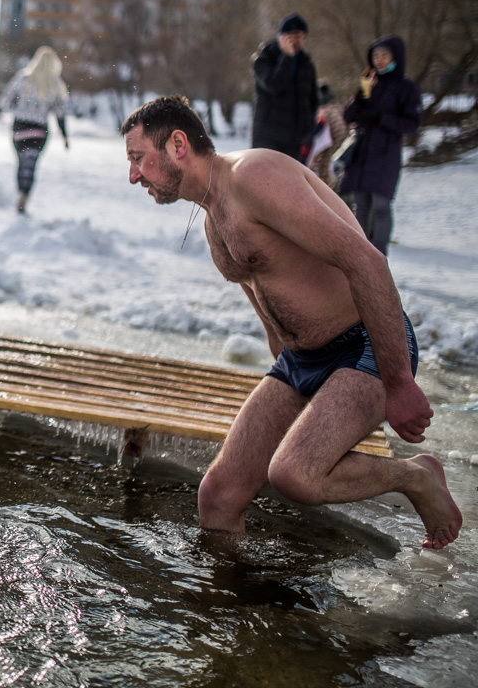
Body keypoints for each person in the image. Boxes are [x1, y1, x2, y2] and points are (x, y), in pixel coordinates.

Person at [121, 95, 461, 550]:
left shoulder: (255, 175)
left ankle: (416, 476)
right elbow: (262, 295)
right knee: (218, 496)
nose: (133, 176)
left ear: (178, 143)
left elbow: (368, 262)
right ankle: (232, 609)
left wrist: (398, 382)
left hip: (364, 348)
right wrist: (292, 386)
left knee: (293, 474)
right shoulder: (212, 216)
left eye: (138, 159)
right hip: (301, 362)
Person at [339, 35, 422, 256]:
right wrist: (360, 96)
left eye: (385, 55)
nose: (380, 60)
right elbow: (347, 116)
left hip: (385, 155)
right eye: (376, 55)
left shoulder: (406, 87)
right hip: (362, 154)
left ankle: (379, 255)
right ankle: (359, 253)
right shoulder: (369, 82)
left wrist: (382, 118)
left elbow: (413, 124)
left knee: (381, 206)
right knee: (360, 206)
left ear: (395, 57)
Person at [0, 45, 70, 213]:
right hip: (39, 131)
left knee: (22, 163)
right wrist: (65, 137)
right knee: (31, 164)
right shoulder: (55, 84)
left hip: (20, 129)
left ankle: (20, 191)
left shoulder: (23, 78)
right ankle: (25, 195)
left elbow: (5, 101)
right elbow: (60, 114)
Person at [251, 12, 319, 160]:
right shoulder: (263, 60)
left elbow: (313, 100)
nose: (297, 41)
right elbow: (274, 85)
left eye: (301, 36)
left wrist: (307, 128)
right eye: (293, 36)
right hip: (268, 139)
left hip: (295, 142)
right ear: (281, 36)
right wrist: (287, 58)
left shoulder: (306, 64)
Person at [305, 83, 348, 188]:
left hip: (329, 155)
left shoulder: (325, 113)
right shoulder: (339, 109)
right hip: (338, 154)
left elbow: (322, 139)